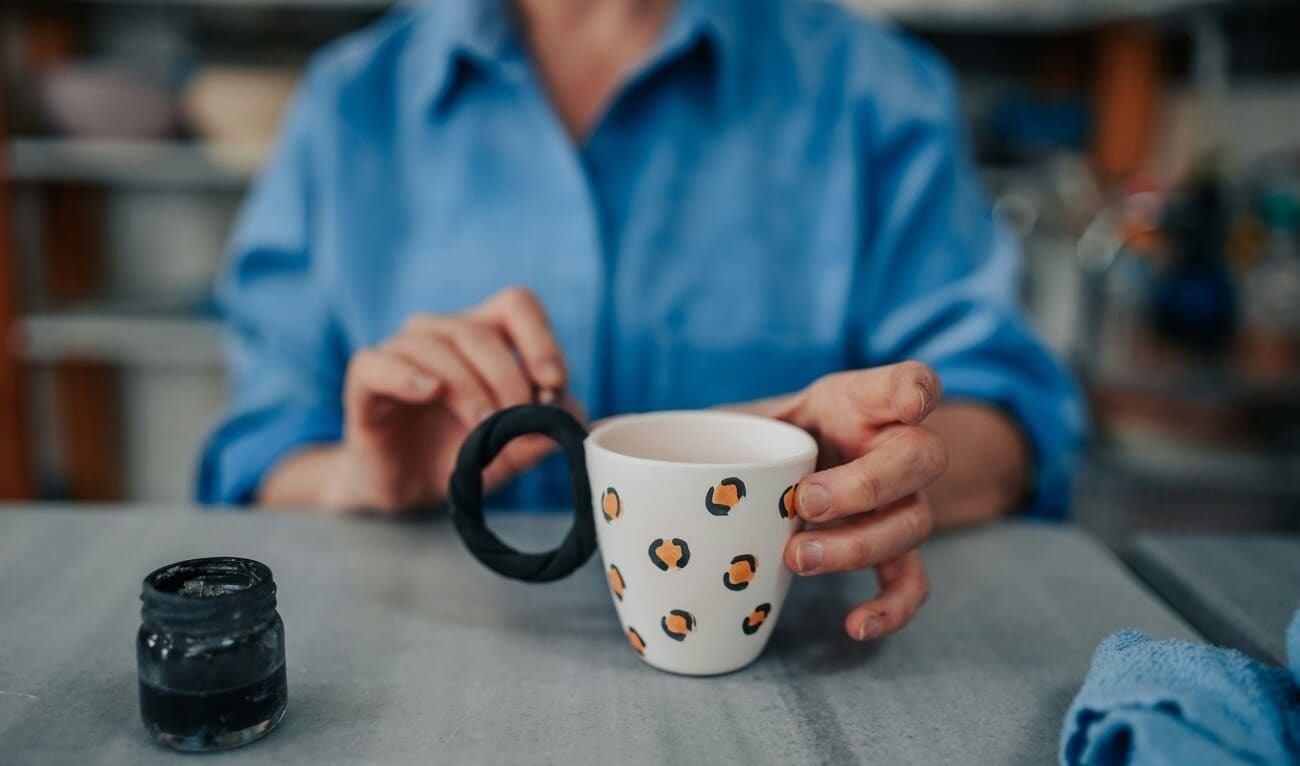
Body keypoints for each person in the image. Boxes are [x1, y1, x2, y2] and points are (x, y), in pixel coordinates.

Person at [198, 0, 1086, 642]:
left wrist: (884, 464)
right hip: (429, 669)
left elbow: (1007, 411)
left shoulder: (879, 90)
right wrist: (358, 475)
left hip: (791, 671)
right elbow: (259, 441)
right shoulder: (349, 102)